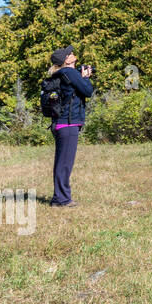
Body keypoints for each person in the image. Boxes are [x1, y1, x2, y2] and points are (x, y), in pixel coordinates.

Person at [45, 46, 94, 207]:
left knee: (62, 162)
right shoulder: (70, 73)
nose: (73, 54)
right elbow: (87, 91)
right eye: (70, 53)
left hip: (60, 123)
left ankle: (60, 197)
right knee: (65, 163)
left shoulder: (60, 74)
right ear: (66, 60)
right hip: (68, 123)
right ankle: (61, 199)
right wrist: (86, 78)